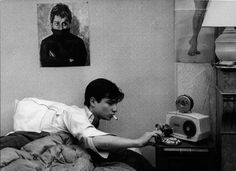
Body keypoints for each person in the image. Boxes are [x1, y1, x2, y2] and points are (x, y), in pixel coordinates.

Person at [14, 78, 160, 171]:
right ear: (92, 101)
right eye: (110, 103)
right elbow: (91, 138)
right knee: (130, 154)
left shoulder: (92, 120)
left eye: (116, 103)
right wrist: (138, 142)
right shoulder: (75, 114)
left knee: (130, 154)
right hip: (29, 140)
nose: (115, 109)